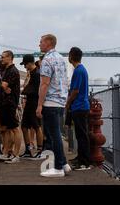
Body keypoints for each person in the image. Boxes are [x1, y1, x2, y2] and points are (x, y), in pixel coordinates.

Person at [36, 34, 71, 177]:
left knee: (53, 135)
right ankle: (64, 163)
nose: (39, 44)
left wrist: (39, 105)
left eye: (41, 42)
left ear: (49, 42)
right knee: (56, 133)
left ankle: (58, 169)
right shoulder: (61, 59)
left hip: (50, 101)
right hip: (61, 101)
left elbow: (44, 84)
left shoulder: (47, 60)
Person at [67, 47, 91, 170]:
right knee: (80, 134)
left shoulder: (78, 71)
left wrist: (67, 103)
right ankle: (80, 158)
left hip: (79, 106)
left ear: (71, 56)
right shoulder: (81, 70)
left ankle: (84, 162)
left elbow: (75, 91)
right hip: (82, 106)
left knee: (81, 135)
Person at [0, 50, 22, 164]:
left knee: (15, 128)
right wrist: (3, 86)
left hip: (10, 103)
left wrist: (1, 84)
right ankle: (6, 152)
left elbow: (3, 85)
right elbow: (3, 86)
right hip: (4, 102)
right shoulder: (6, 70)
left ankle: (16, 154)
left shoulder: (12, 70)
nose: (1, 59)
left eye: (3, 57)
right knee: (6, 129)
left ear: (10, 57)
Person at [19, 54, 44, 159]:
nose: (25, 67)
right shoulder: (32, 73)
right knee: (24, 126)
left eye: (25, 64)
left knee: (37, 126)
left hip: (34, 102)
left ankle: (40, 150)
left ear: (30, 63)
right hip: (30, 101)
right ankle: (28, 149)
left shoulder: (37, 74)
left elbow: (34, 89)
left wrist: (23, 91)